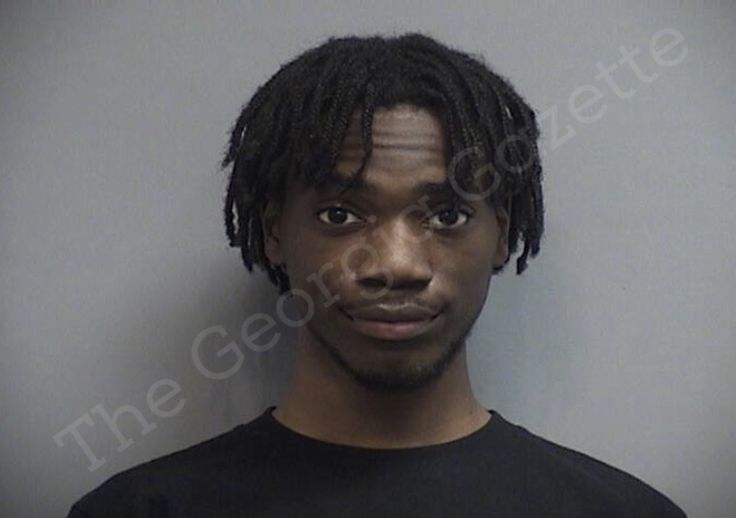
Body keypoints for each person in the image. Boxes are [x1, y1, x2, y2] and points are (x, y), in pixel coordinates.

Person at [67, 33, 686, 517]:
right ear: (274, 232)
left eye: (446, 214)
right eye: (341, 214)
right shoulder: (142, 511)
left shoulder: (622, 512)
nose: (396, 265)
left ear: (501, 232)